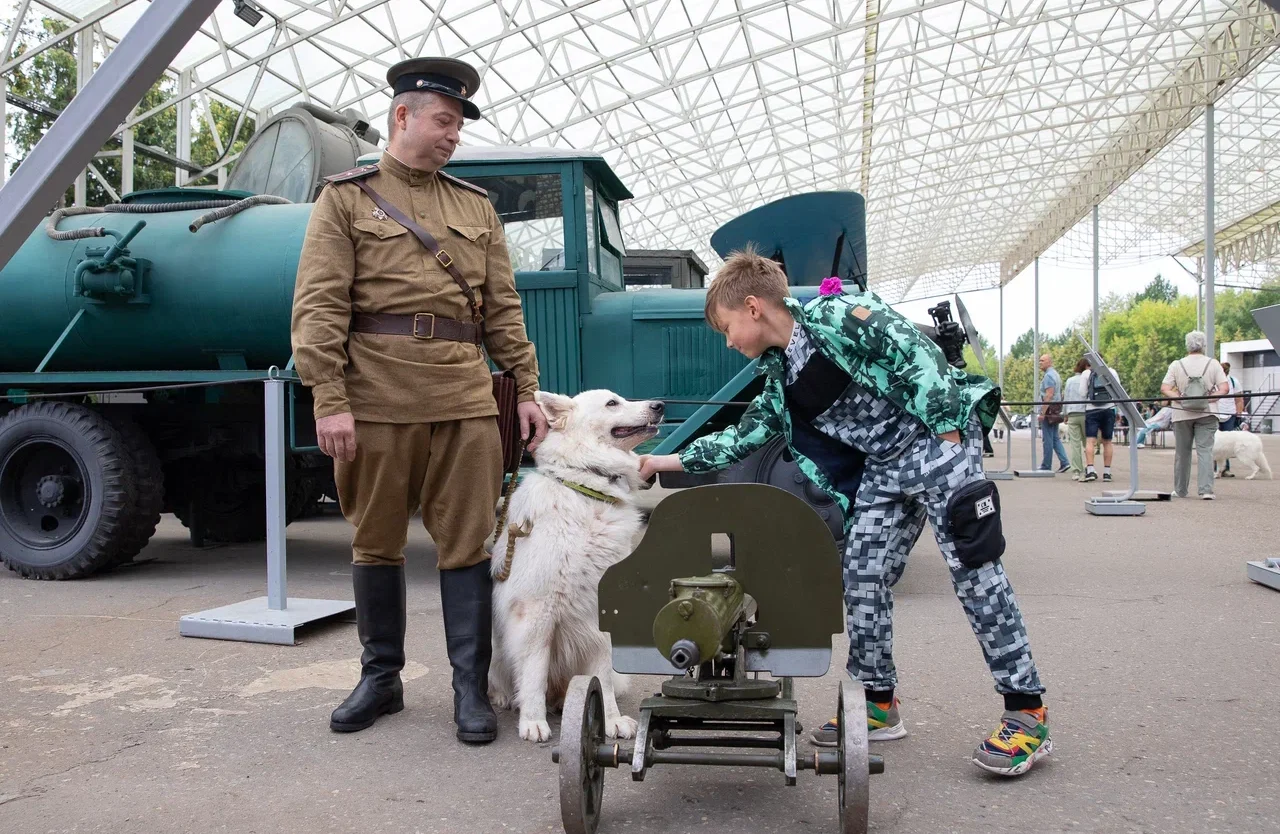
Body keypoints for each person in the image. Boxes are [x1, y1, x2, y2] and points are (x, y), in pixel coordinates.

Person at [639, 252, 1050, 777]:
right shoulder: (781, 376)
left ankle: (1027, 712)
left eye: (726, 328)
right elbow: (742, 438)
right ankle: (877, 704)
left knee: (976, 573)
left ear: (752, 306)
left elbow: (915, 352)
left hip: (934, 445)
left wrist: (948, 436)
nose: (728, 340)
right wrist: (661, 461)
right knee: (861, 578)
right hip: (884, 468)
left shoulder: (836, 315)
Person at [290, 57, 548, 744]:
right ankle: (381, 679)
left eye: (459, 124)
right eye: (443, 120)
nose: (452, 135)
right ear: (402, 116)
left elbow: (503, 309)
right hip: (376, 398)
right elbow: (318, 306)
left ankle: (470, 689)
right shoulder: (346, 199)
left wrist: (524, 387)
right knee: (376, 543)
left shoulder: (476, 207)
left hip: (463, 400)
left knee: (467, 547)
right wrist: (328, 397)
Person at [1161, 331, 1228, 499]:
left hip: (1182, 414)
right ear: (1203, 345)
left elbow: (1165, 388)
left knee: (1182, 452)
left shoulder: (1177, 365)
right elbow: (1224, 388)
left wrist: (1180, 399)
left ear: (1187, 345)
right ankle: (1206, 491)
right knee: (1205, 451)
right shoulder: (1213, 364)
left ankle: (1180, 490)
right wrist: (1209, 399)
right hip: (1207, 413)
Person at [1081, 363, 1121, 483]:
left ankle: (1091, 469)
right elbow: (1118, 390)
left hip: (1091, 409)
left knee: (1090, 441)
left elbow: (1082, 393)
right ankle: (1107, 473)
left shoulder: (1086, 374)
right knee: (1107, 441)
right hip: (1108, 408)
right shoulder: (1111, 371)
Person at [1037, 354, 1069, 472]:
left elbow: (1048, 395)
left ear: (1049, 362)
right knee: (1055, 437)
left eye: (1042, 361)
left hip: (1050, 410)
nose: (1040, 363)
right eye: (1039, 360)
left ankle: (1046, 465)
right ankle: (1064, 462)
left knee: (1048, 439)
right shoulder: (1056, 374)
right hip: (1056, 409)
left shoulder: (1049, 376)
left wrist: (1042, 412)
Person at [1214, 361, 1245, 477]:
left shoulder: (1233, 382)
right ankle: (1215, 469)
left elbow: (1239, 399)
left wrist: (1239, 414)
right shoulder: (1213, 381)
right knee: (1215, 443)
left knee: (1226, 443)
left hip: (1229, 415)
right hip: (1215, 414)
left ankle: (1225, 469)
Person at [1061, 358, 1089, 479]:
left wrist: (1065, 414)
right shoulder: (1088, 378)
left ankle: (1076, 471)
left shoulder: (1070, 381)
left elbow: (1066, 398)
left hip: (1072, 413)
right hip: (1086, 413)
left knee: (1075, 444)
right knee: (1088, 443)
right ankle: (1089, 468)